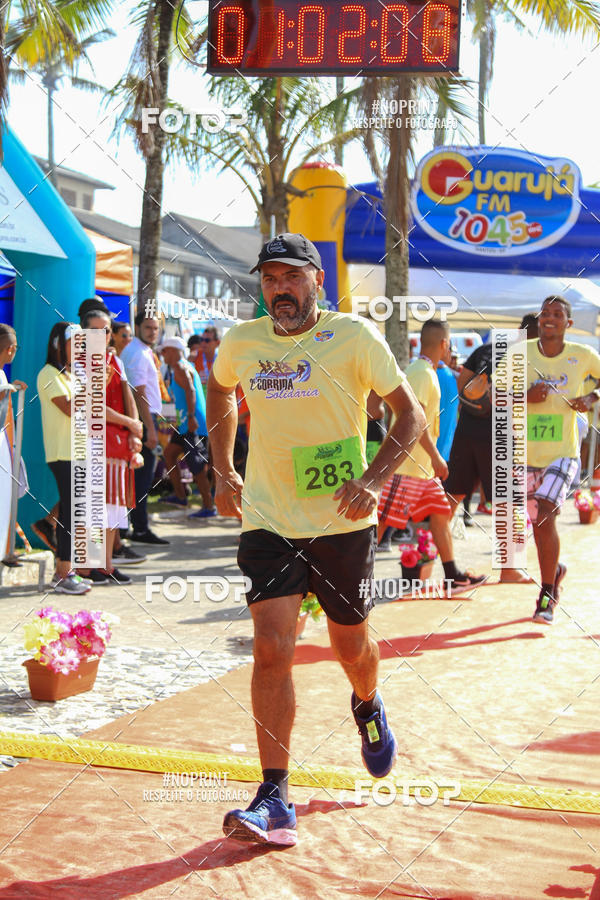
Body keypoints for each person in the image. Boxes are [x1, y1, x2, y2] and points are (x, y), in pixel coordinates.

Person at [207, 233, 426, 847]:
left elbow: (410, 415)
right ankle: (274, 797)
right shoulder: (241, 342)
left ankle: (368, 703)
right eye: (270, 278)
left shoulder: (355, 336)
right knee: (272, 649)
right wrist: (224, 467)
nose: (280, 287)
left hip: (341, 522)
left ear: (316, 281)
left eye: (292, 277)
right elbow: (220, 389)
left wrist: (372, 480)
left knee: (350, 647)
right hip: (270, 520)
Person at [377, 320, 486, 595]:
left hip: (421, 468)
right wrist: (437, 457)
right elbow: (415, 421)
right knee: (379, 524)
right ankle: (349, 580)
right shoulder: (422, 374)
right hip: (407, 466)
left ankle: (453, 577)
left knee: (439, 516)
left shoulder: (426, 372)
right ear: (444, 344)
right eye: (450, 346)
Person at [444, 313, 539, 583]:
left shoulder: (487, 349)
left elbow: (461, 386)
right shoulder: (529, 357)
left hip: (467, 431)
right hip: (500, 435)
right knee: (506, 503)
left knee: (452, 496)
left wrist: (479, 405)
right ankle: (509, 570)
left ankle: (426, 561)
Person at [526, 296, 600, 624]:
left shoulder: (582, 355)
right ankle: (554, 571)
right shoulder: (520, 354)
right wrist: (525, 396)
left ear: (568, 323)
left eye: (558, 314)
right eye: (545, 313)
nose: (549, 318)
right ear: (539, 320)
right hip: (525, 456)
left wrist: (591, 397)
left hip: (564, 453)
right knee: (541, 529)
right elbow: (493, 395)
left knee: (545, 515)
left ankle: (546, 595)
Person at [76, 306, 144, 584]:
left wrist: (135, 430)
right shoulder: (80, 362)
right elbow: (94, 407)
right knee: (95, 506)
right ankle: (89, 565)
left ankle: (106, 564)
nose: (102, 336)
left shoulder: (113, 360)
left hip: (118, 443)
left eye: (106, 330)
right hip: (93, 442)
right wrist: (130, 424)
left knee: (115, 506)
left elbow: (128, 396)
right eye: (96, 330)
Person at [37, 323, 90, 594]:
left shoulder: (71, 374)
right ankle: (63, 572)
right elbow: (69, 408)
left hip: (77, 451)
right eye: (76, 343)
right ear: (60, 345)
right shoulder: (48, 373)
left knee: (74, 510)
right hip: (62, 452)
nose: (81, 348)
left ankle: (67, 567)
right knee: (70, 513)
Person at [120, 312, 169, 545]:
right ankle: (139, 529)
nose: (153, 332)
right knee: (141, 480)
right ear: (137, 327)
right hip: (143, 417)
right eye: (148, 327)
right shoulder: (138, 352)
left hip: (146, 416)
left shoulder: (142, 350)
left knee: (140, 478)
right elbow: (139, 392)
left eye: (156, 328)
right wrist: (149, 429)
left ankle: (134, 527)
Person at [159, 336, 216, 517]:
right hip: (185, 424)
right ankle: (181, 496)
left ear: (174, 350)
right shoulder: (182, 366)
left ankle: (209, 506)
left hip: (193, 424)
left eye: (165, 350)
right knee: (169, 454)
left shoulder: (181, 367)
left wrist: (191, 417)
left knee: (197, 466)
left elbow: (191, 391)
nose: (162, 354)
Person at [193, 326, 220, 395]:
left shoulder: (222, 359)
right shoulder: (194, 357)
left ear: (217, 343)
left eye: (207, 340)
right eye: (202, 339)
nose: (203, 343)